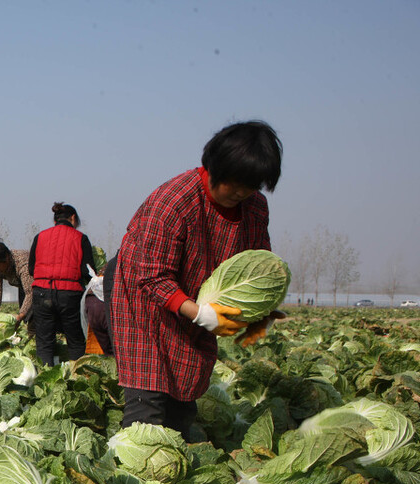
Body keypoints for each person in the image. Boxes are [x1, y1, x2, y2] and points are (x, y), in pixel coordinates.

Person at [110, 120, 283, 436]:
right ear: (214, 167)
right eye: (234, 183)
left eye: (252, 185)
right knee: (147, 397)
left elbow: (259, 265)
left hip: (194, 300)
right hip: (142, 302)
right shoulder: (173, 201)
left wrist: (260, 313)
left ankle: (174, 458)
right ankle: (133, 477)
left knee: (184, 397)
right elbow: (151, 276)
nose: (241, 192)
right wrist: (202, 314)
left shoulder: (254, 207)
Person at [27, 202, 95, 365]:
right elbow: (88, 271)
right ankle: (76, 377)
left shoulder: (40, 236)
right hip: (70, 294)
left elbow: (31, 269)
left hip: (42, 292)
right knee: (75, 340)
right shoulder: (80, 238)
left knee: (44, 342)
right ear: (73, 218)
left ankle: (46, 380)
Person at [0, 238, 32, 323]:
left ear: (6, 258)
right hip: (24, 287)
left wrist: (20, 316)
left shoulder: (23, 263)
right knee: (27, 319)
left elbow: (31, 291)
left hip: (41, 286)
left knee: (34, 321)